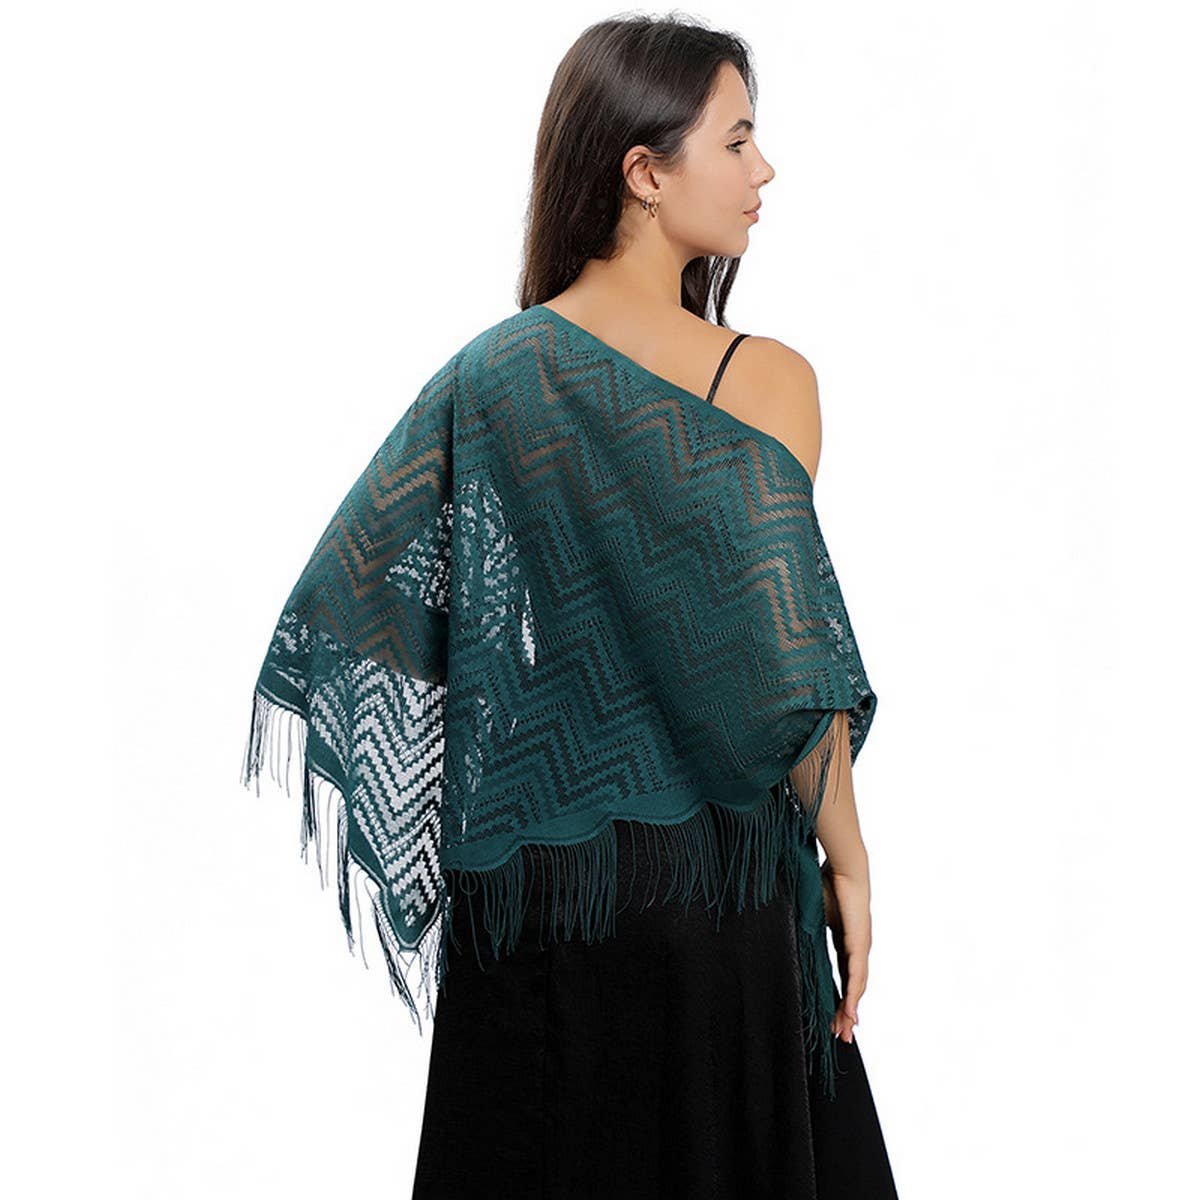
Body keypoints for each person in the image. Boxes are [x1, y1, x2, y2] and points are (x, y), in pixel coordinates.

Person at [242, 14, 898, 1200]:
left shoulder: (489, 378)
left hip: (539, 911)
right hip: (718, 899)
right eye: (737, 141)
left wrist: (527, 740)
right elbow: (777, 670)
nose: (763, 170)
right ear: (645, 172)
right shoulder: (759, 379)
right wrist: (847, 856)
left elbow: (352, 612)